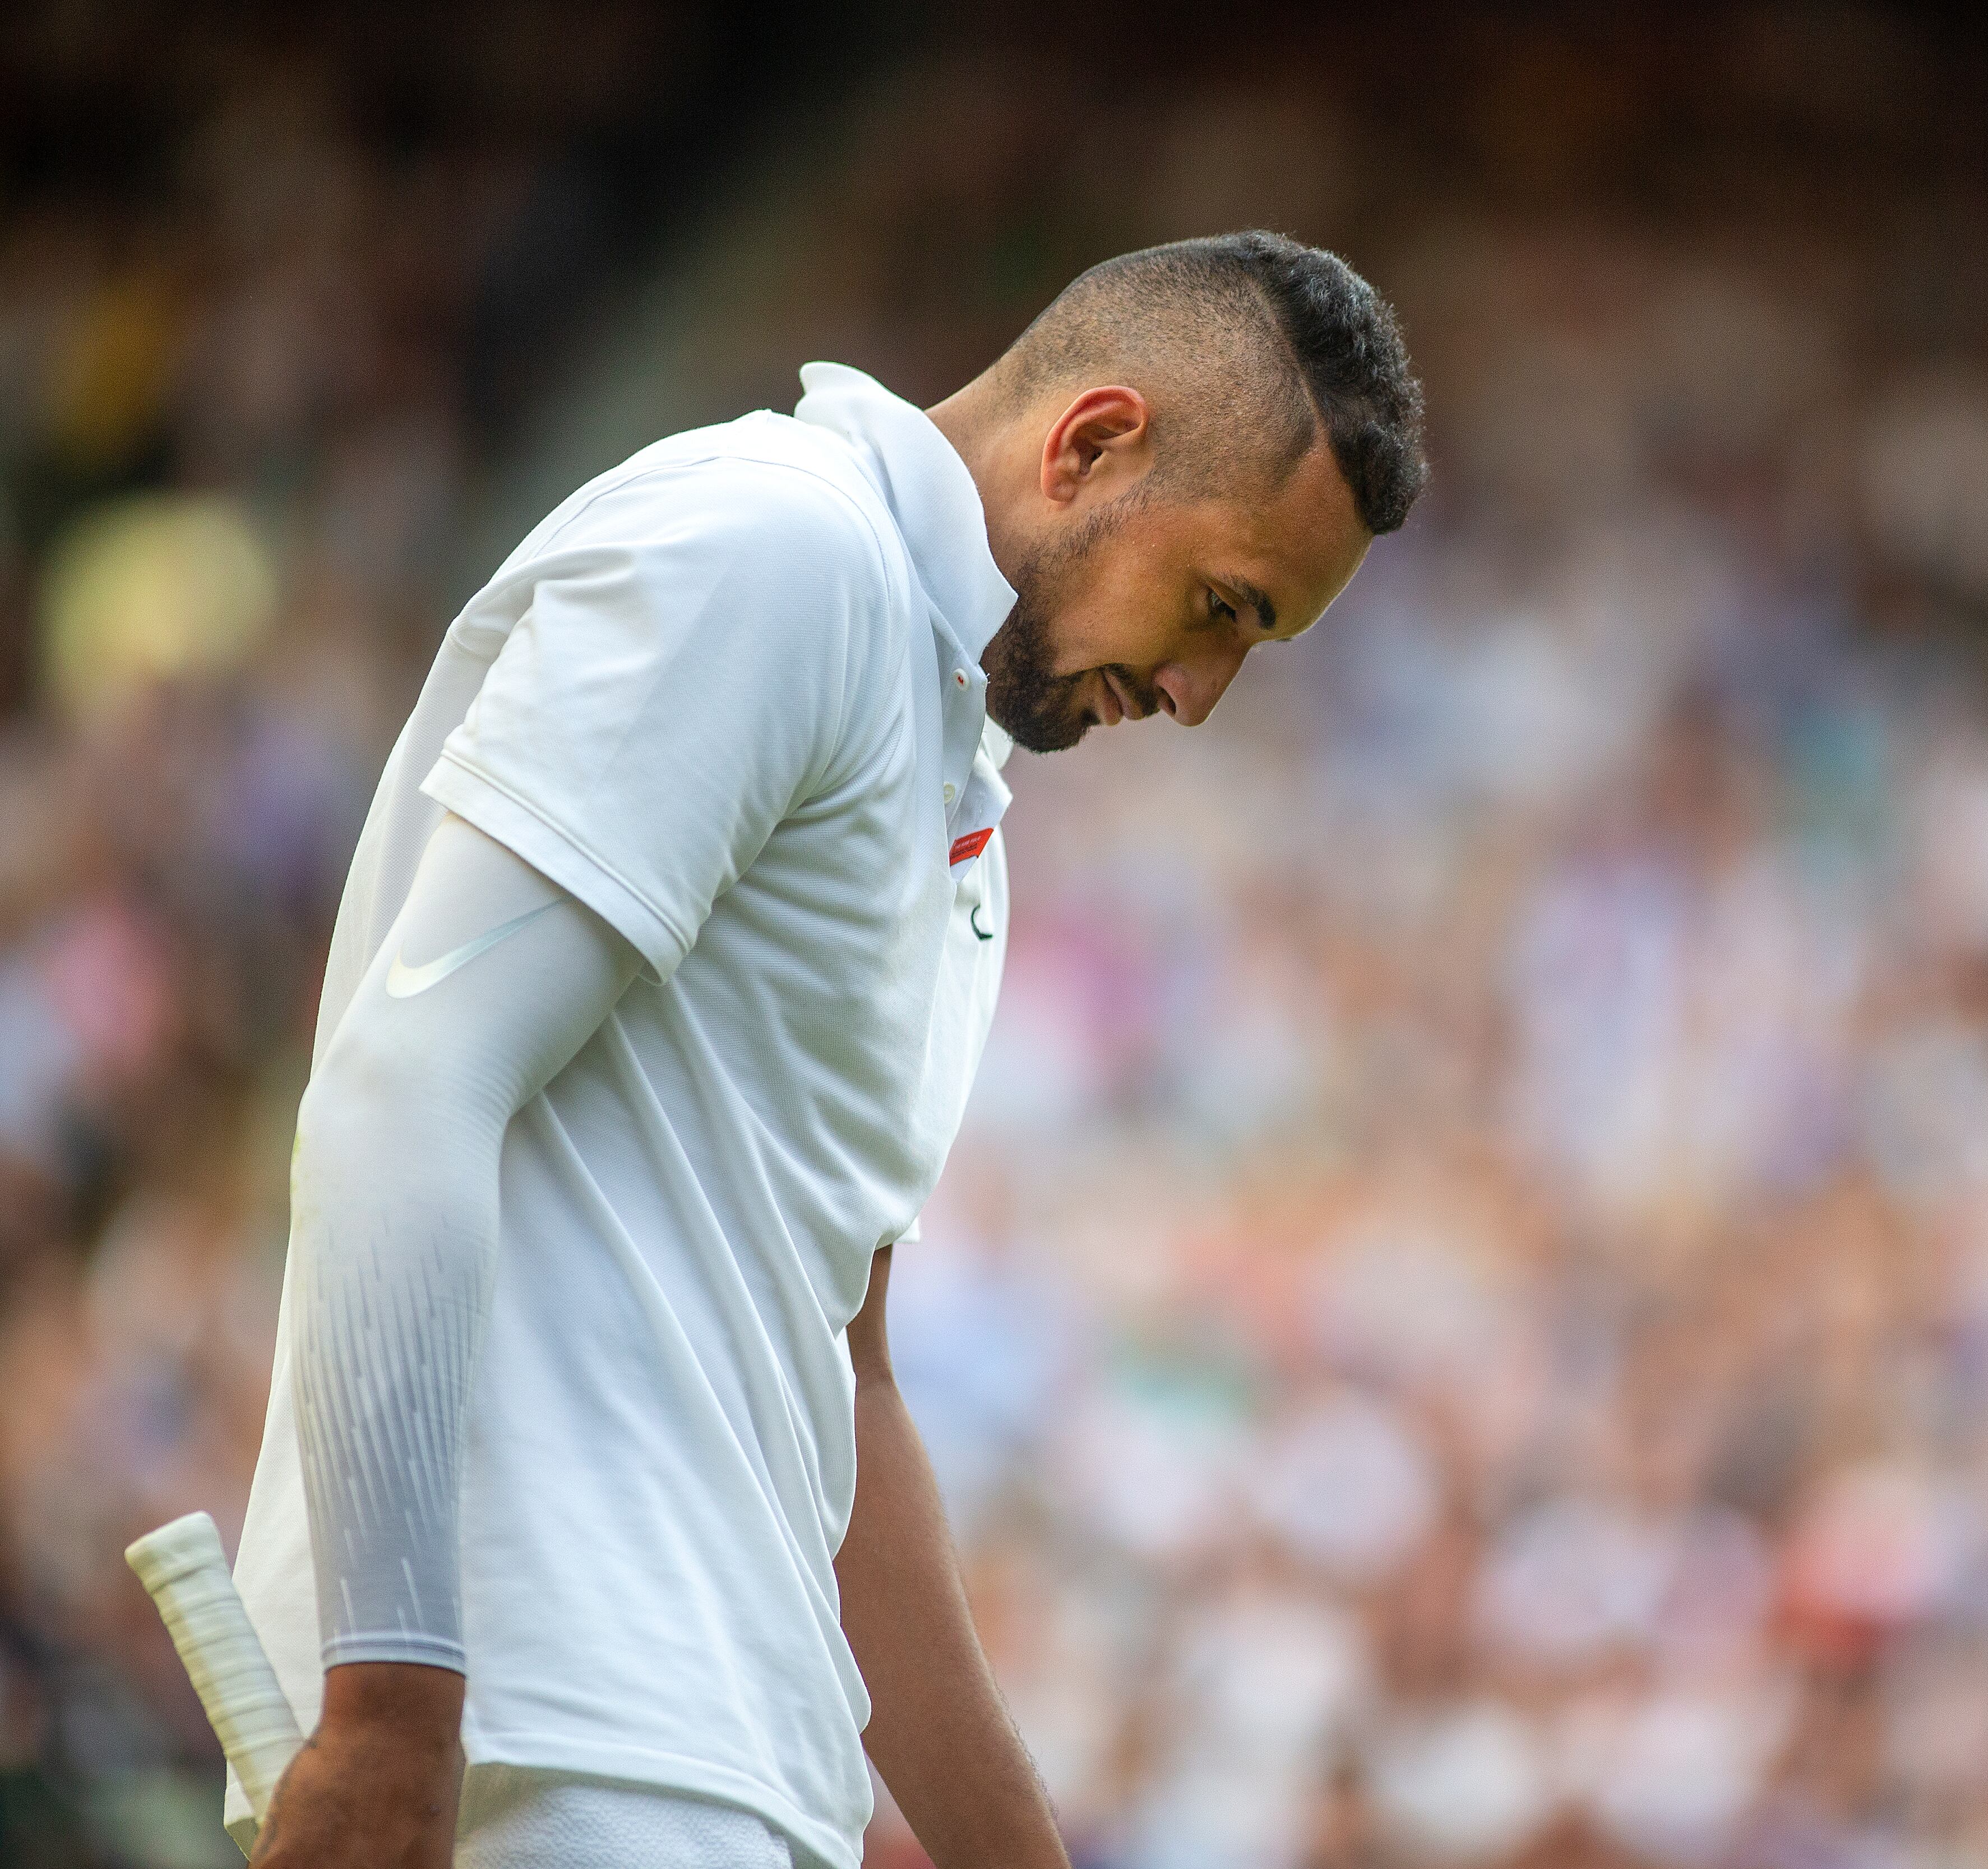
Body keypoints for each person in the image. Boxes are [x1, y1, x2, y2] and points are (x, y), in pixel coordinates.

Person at [226, 230, 1427, 1869]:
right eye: (1221, 606)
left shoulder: (963, 804)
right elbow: (407, 1081)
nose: (1204, 691)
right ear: (1091, 445)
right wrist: (389, 1712)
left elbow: (838, 1392)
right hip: (539, 1738)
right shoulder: (775, 550)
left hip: (723, 1763)